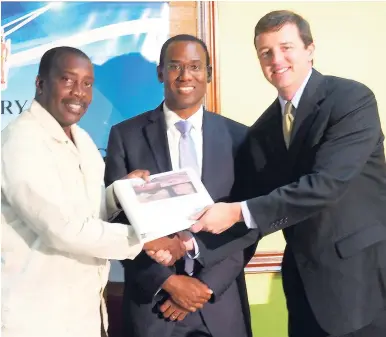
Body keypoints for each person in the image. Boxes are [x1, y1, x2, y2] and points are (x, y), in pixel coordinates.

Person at [189, 10, 386, 337]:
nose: (276, 59)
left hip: (362, 285)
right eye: (266, 52)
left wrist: (237, 211)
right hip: (304, 285)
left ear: (309, 49)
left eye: (286, 47)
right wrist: (188, 243)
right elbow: (249, 206)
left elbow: (326, 185)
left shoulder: (351, 100)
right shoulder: (263, 131)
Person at [1, 46, 186, 337]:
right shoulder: (21, 141)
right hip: (35, 317)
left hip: (81, 314)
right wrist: (144, 240)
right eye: (68, 80)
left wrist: (121, 191)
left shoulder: (81, 139)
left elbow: (89, 205)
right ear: (40, 83)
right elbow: (62, 228)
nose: (80, 93)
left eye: (87, 84)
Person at [105, 35, 255, 337]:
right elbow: (117, 222)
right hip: (153, 306)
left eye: (195, 66)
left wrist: (204, 286)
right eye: (175, 66)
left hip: (219, 304)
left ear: (209, 74)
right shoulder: (126, 136)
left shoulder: (240, 138)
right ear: (161, 72)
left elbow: (249, 223)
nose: (185, 75)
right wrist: (169, 282)